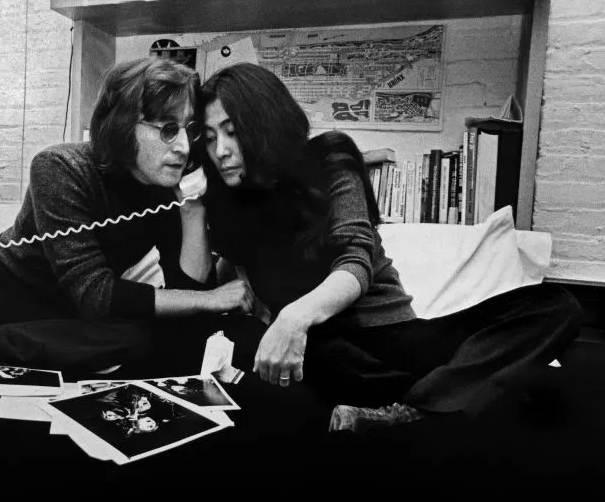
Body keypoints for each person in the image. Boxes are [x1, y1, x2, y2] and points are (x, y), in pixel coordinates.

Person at [196, 63, 583, 434]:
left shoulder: (330, 161)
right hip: (325, 355)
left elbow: (355, 262)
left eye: (232, 132)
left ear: (263, 125)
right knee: (306, 353)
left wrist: (293, 318)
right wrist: (192, 205)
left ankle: (416, 408)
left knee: (557, 306)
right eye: (211, 138)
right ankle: (450, 399)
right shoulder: (229, 202)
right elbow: (222, 284)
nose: (221, 151)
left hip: (392, 337)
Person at [0, 57, 254, 376]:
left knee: (149, 336)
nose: (184, 147)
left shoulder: (164, 184)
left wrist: (192, 207)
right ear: (121, 127)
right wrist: (212, 300)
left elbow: (185, 288)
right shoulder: (60, 166)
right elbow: (95, 292)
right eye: (168, 129)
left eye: (189, 130)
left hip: (72, 320)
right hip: (11, 296)